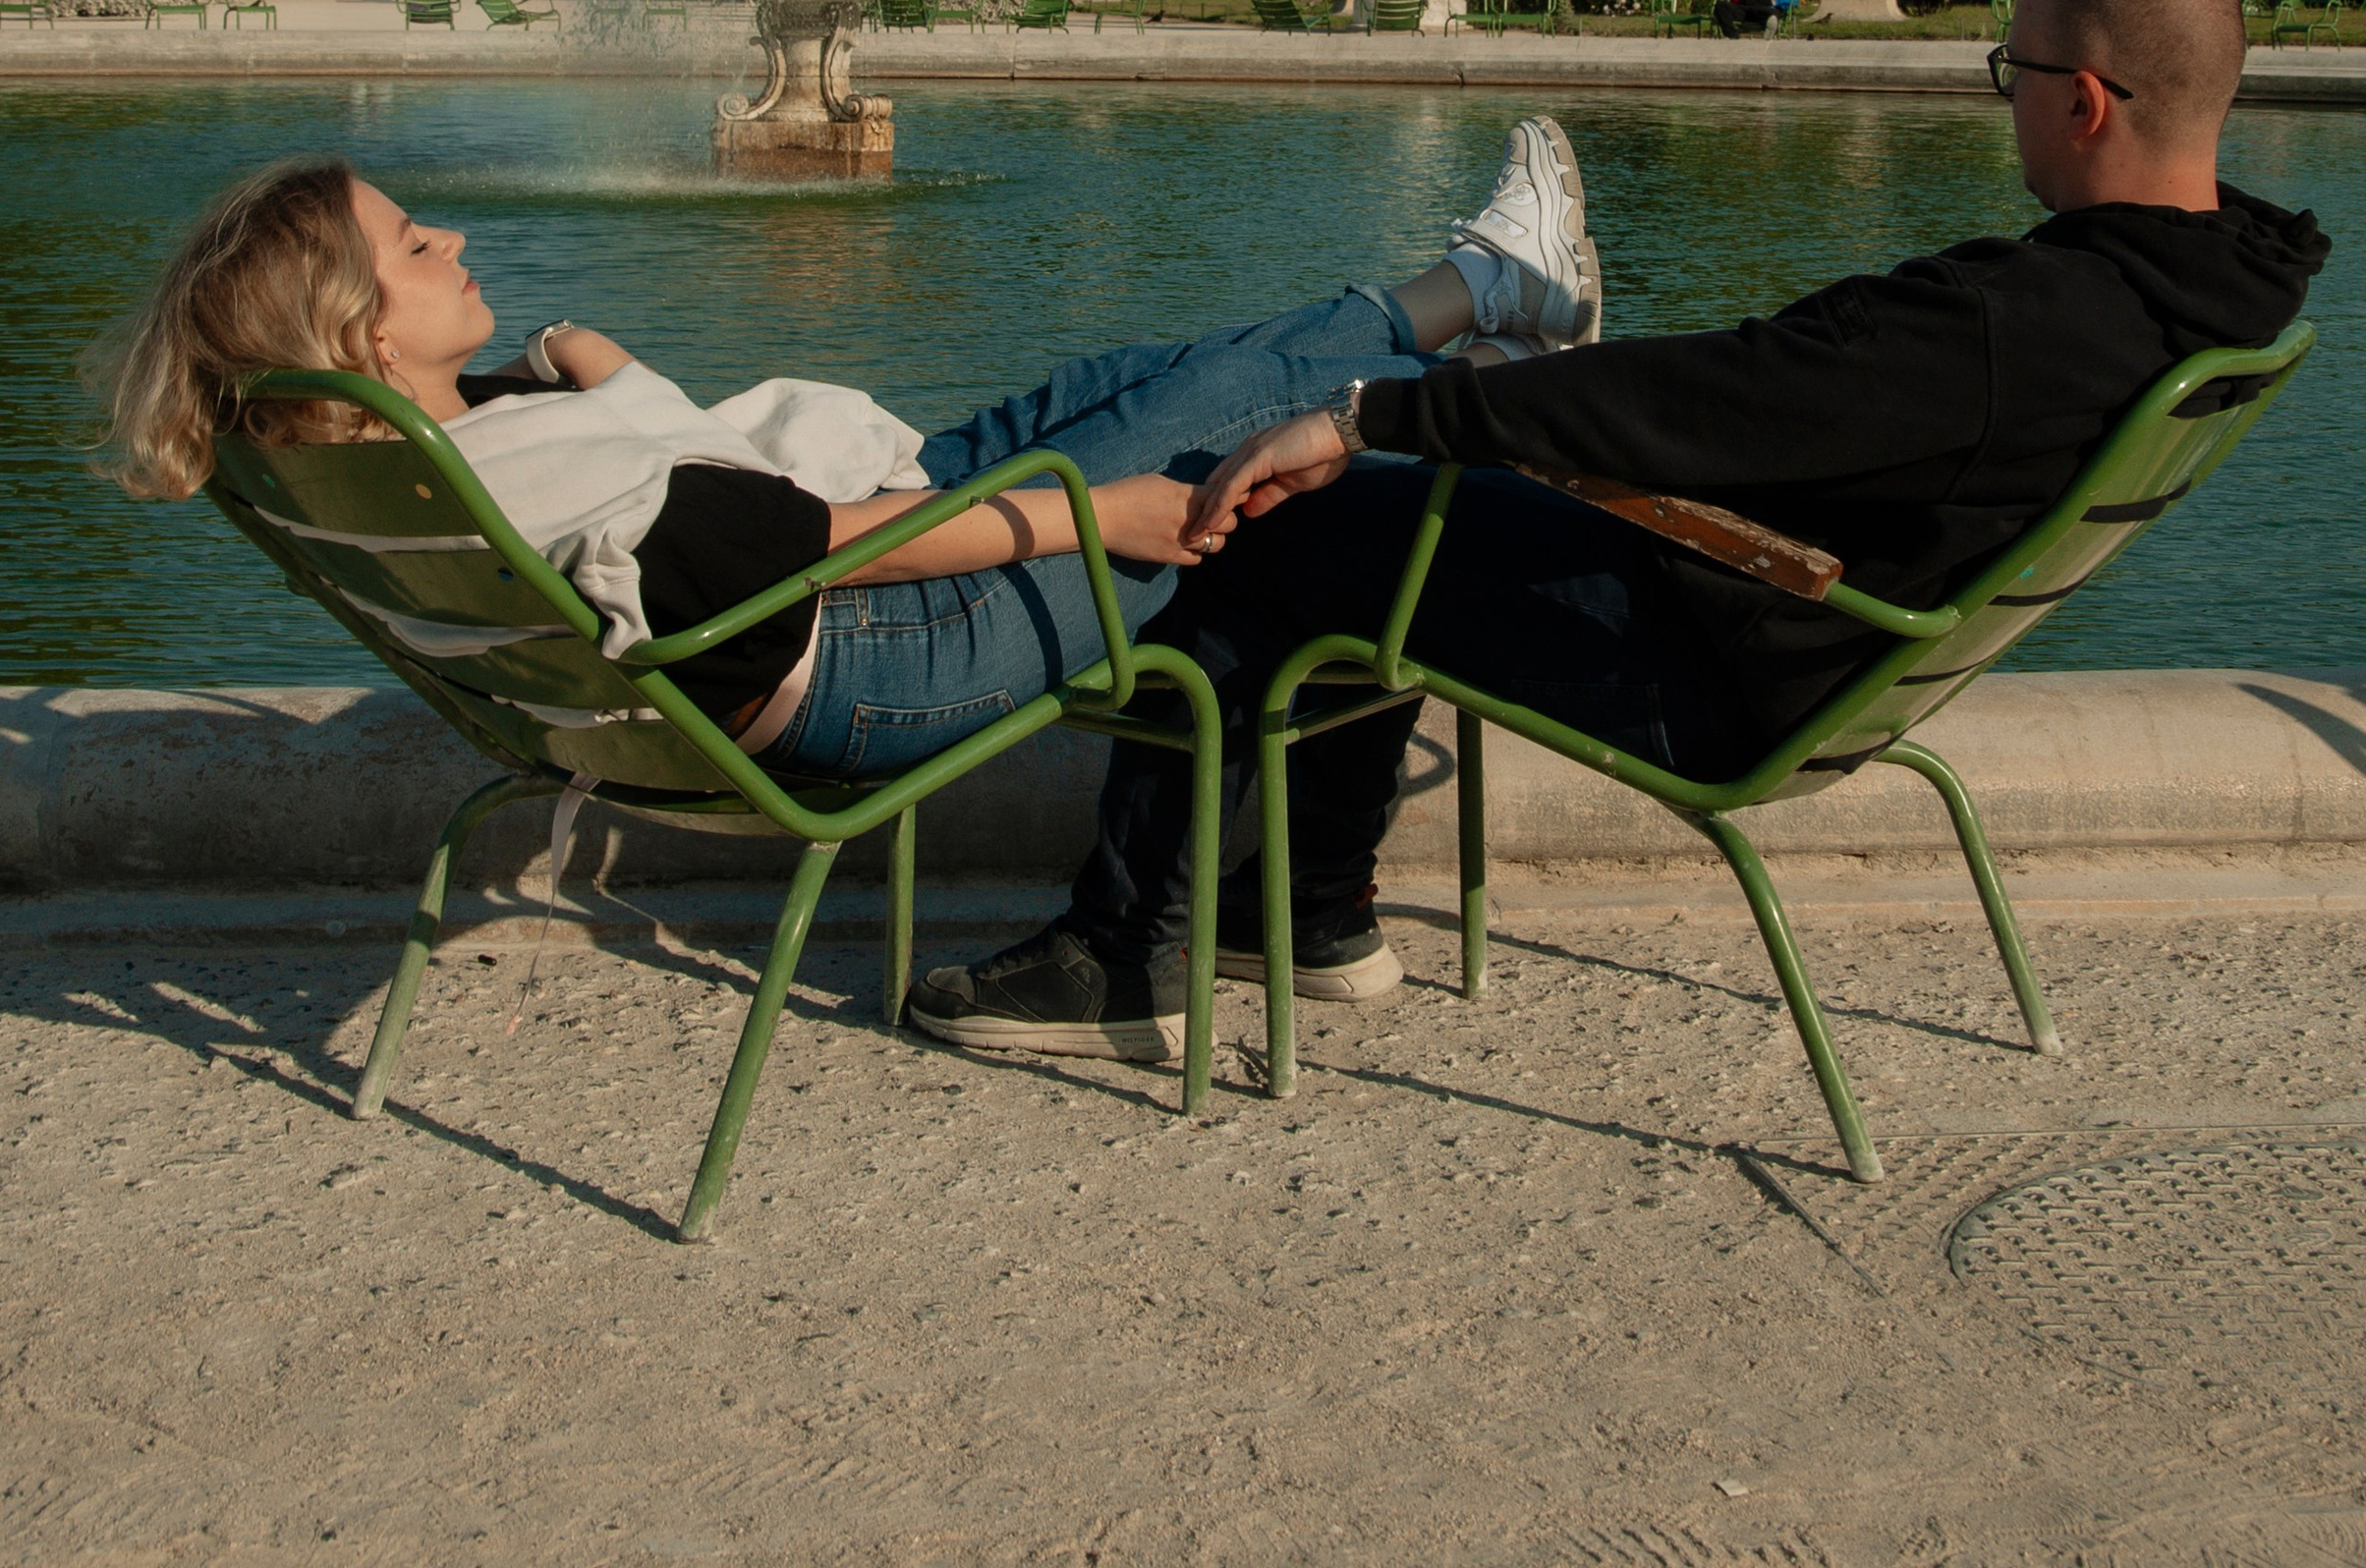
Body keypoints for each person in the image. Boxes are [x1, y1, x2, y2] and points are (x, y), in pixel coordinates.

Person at [908, 0, 2328, 1064]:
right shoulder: (2218, 284)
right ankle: (1310, 906)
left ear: (2084, 100)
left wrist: (1373, 410)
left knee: (1283, 521)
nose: (1997, 90)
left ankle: (1120, 945)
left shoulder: (2027, 319)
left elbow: (1719, 402)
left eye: (2005, 66)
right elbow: (1767, 393)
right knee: (1406, 520)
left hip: (1726, 655)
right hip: (1834, 630)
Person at [98, 122, 1603, 1041]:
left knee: (1143, 378)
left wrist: (578, 358)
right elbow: (807, 550)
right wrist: (1095, 520)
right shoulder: (546, 481)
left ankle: (1479, 366)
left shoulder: (433, 459)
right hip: (881, 647)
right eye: (417, 243)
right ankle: (1482, 300)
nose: (457, 233)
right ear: (366, 335)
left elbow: (700, 503)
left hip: (857, 576)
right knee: (1217, 425)